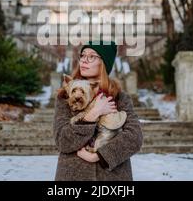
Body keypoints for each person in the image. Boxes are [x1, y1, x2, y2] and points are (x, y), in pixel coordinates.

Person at [54, 40, 143, 181]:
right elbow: (62, 140)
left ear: (104, 63)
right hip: (73, 175)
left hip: (113, 177)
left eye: (91, 56)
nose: (84, 60)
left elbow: (134, 137)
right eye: (83, 55)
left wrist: (99, 156)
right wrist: (93, 114)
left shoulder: (119, 97)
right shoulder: (66, 96)